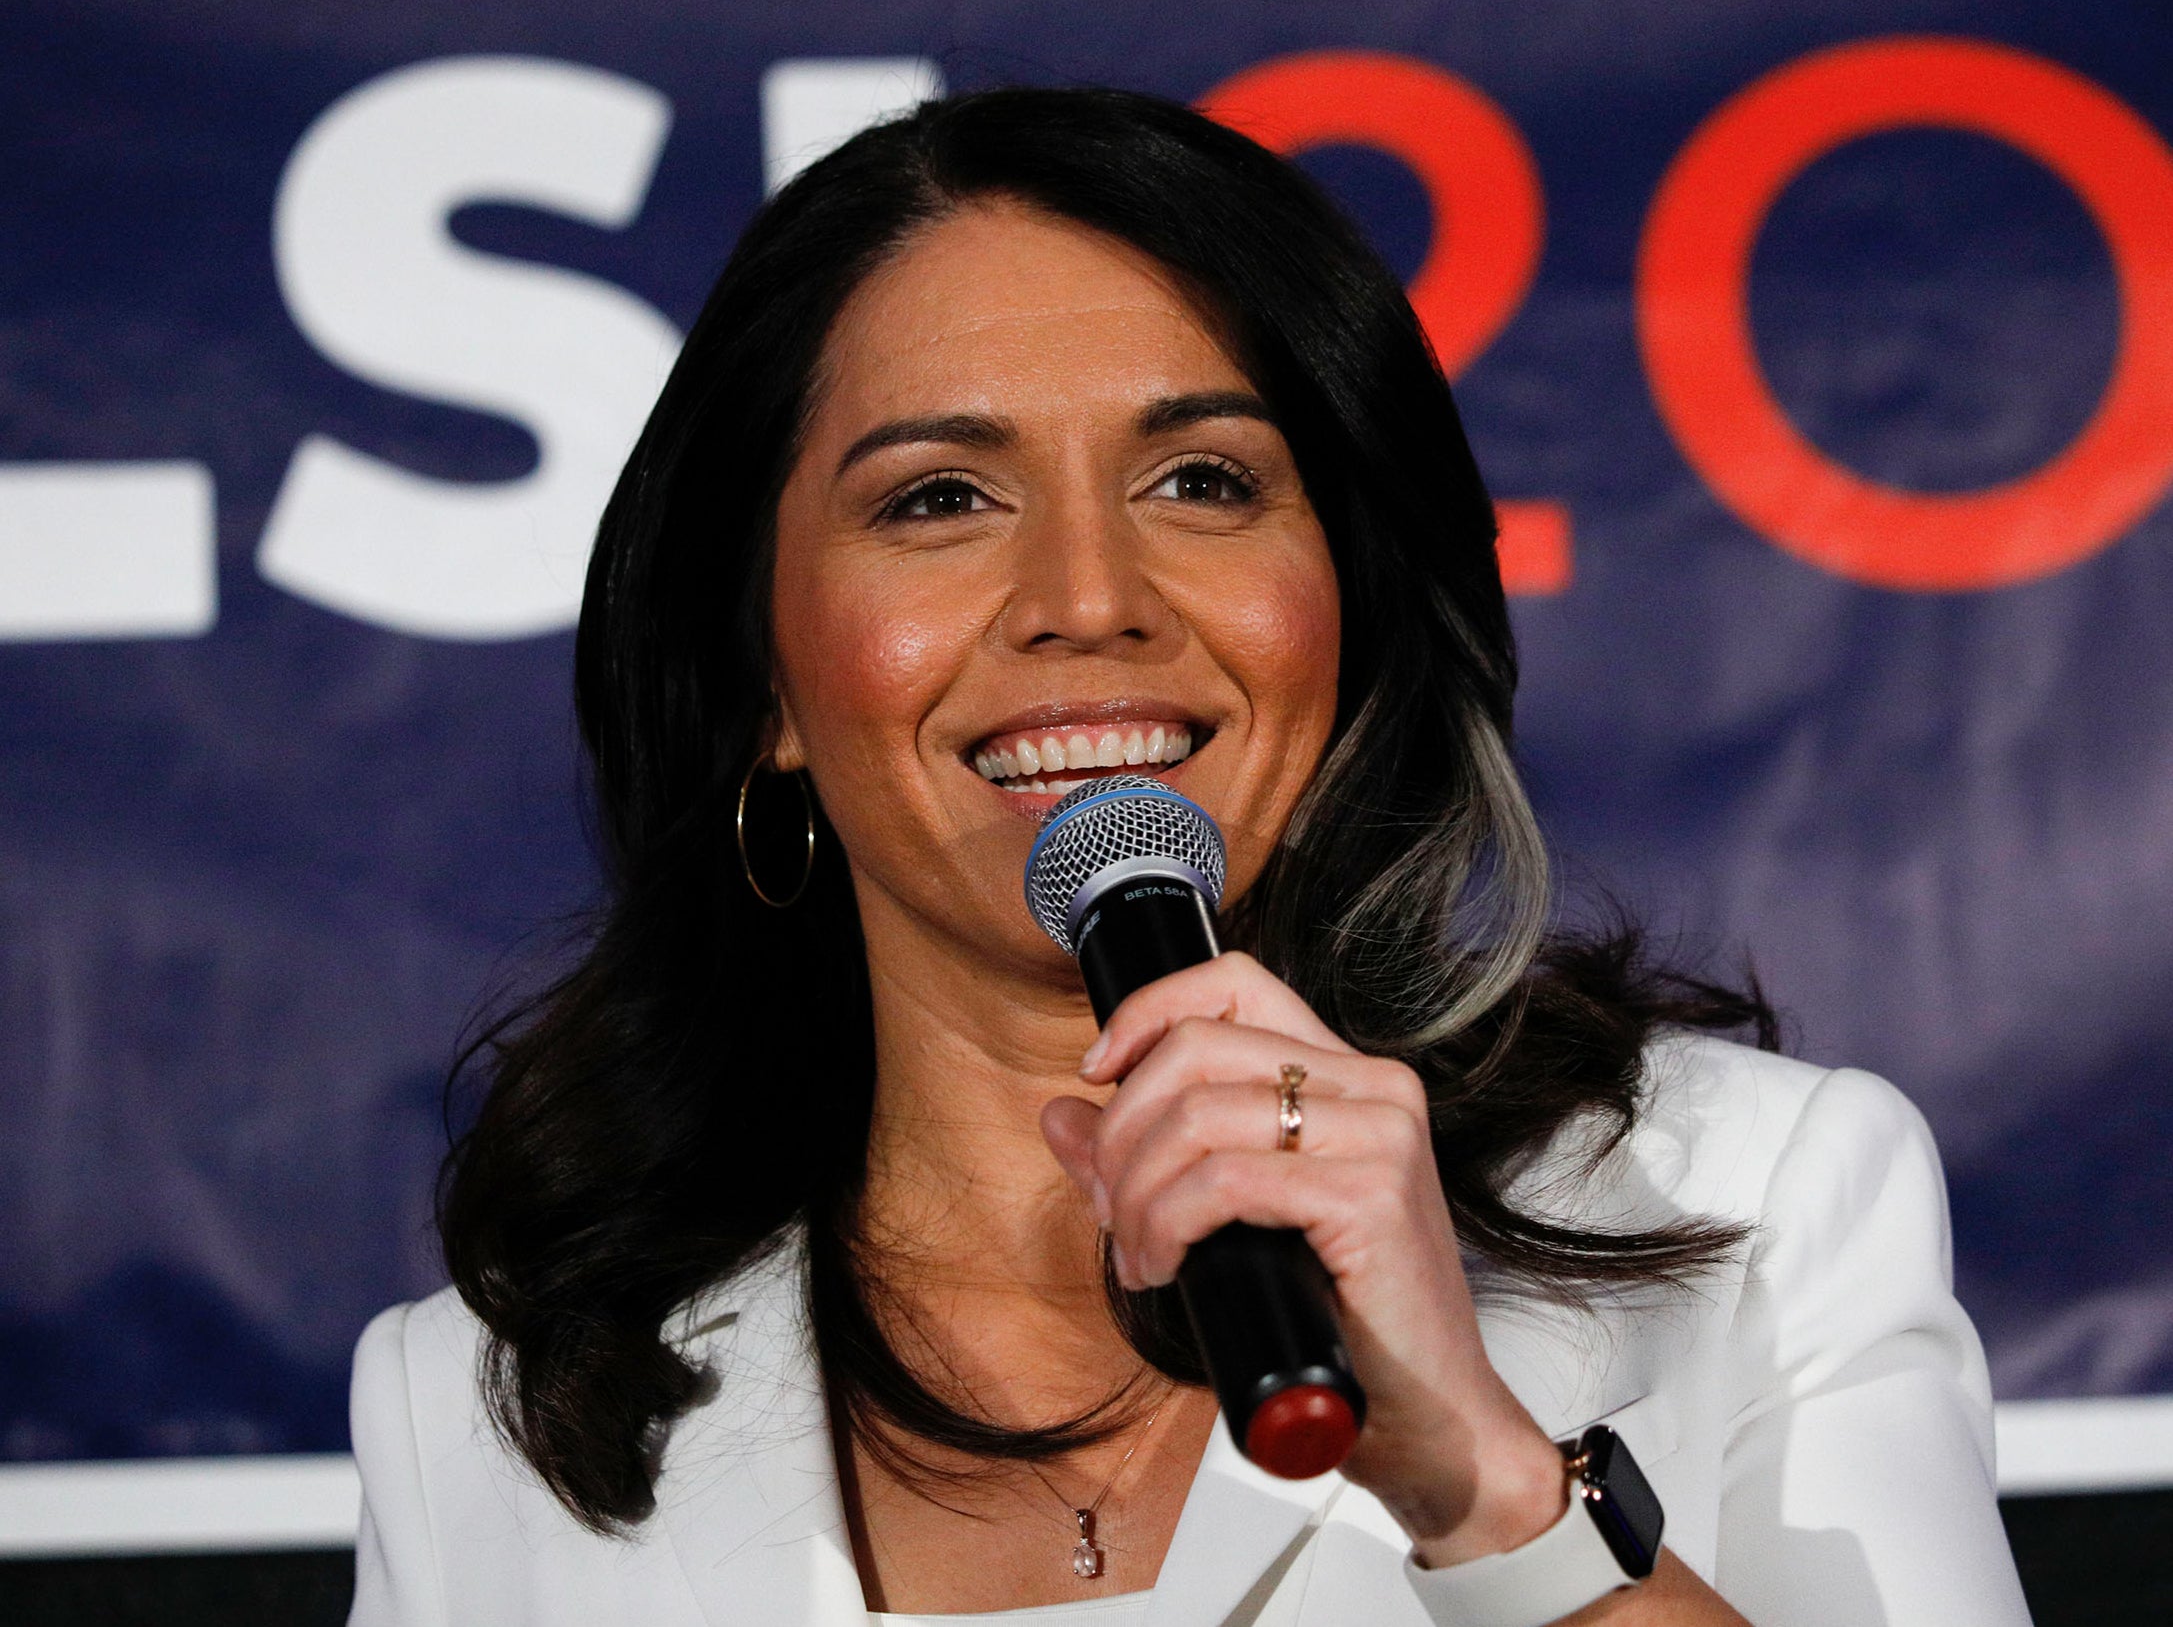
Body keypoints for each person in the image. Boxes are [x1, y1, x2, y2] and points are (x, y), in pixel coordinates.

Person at [346, 87, 2032, 1626]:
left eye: (1203, 478)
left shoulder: (1759, 1206)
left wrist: (1481, 1478)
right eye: (939, 497)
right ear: (765, 676)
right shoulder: (479, 1415)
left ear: (1352, 609)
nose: (1088, 594)